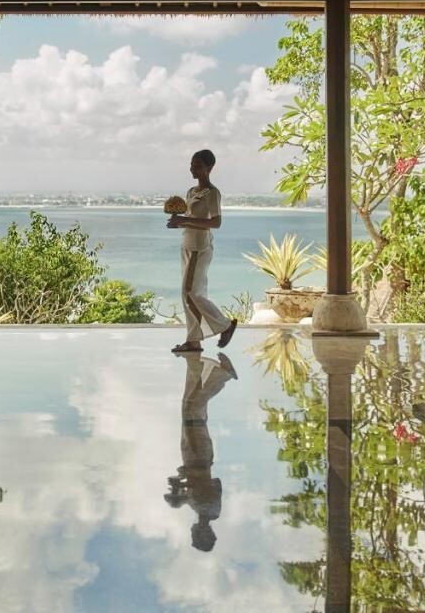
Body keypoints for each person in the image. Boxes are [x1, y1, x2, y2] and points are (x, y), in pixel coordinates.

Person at [165, 350, 238, 552]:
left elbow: (213, 484)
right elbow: (204, 483)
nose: (193, 531)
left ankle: (197, 365)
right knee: (191, 409)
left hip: (199, 457)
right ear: (203, 534)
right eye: (196, 535)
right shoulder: (204, 508)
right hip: (197, 457)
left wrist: (181, 487)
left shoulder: (208, 510)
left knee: (192, 408)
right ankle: (221, 375)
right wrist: (182, 486)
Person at [167, 149, 237, 354]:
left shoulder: (212, 193)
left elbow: (215, 222)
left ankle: (225, 325)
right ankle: (194, 341)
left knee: (190, 292)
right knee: (190, 294)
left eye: (197, 165)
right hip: (187, 244)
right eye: (192, 165)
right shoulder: (191, 192)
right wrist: (179, 223)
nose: (193, 169)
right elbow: (191, 219)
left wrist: (185, 220)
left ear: (209, 168)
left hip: (200, 247)